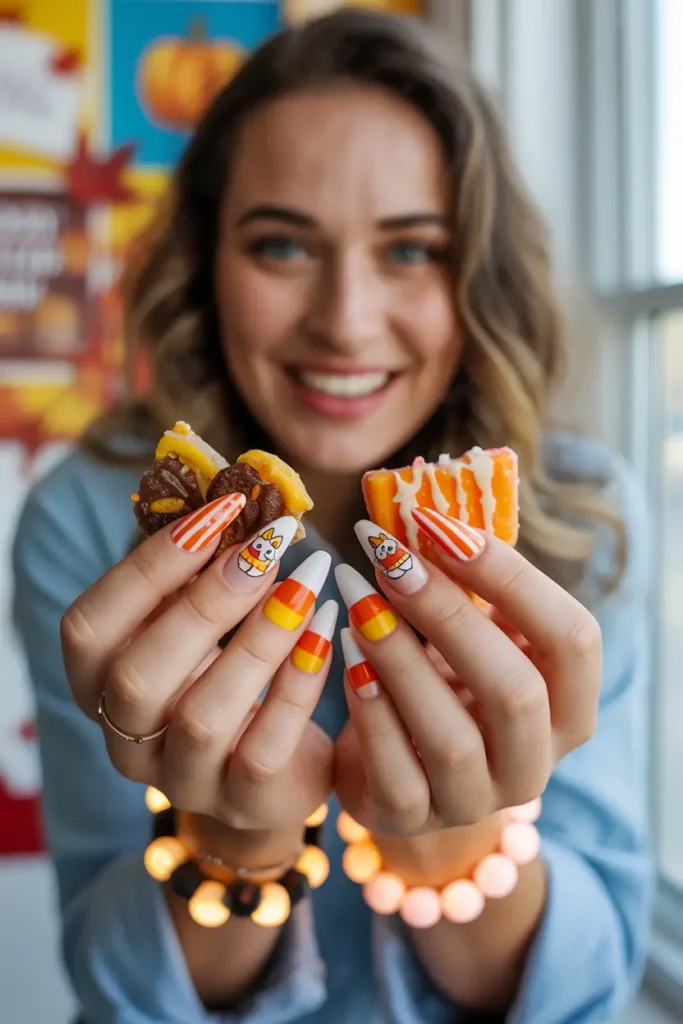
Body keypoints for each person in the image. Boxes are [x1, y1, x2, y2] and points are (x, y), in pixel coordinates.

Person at [12, 10, 651, 1023]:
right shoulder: (87, 518)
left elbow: (586, 987)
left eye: (410, 251)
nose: (345, 320)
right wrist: (233, 847)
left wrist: (450, 846)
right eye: (280, 245)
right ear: (203, 264)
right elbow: (117, 982)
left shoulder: (580, 511)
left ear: (478, 272)